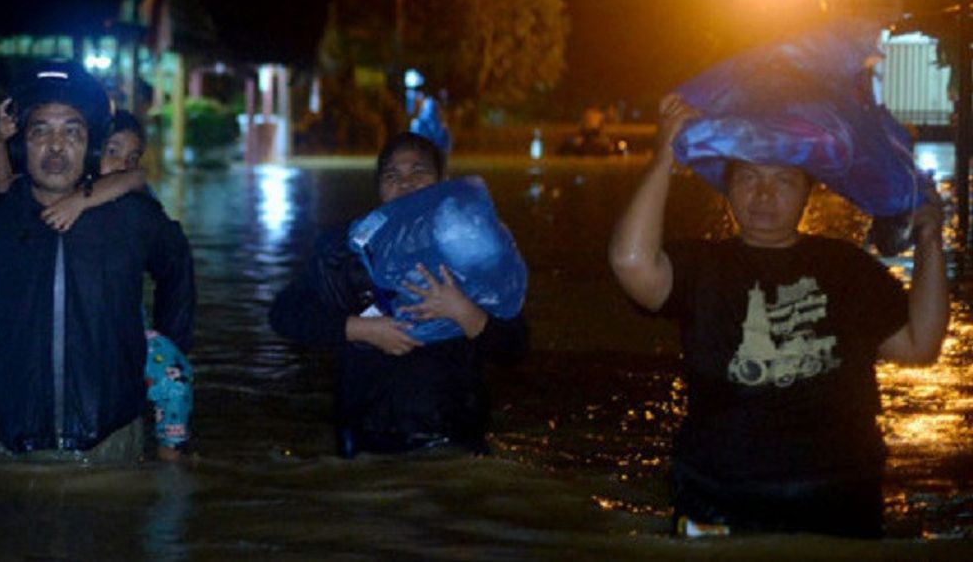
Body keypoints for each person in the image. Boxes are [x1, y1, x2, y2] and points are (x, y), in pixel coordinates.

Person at [608, 94, 949, 538]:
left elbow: (920, 347)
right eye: (749, 177)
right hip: (717, 493)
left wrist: (929, 240)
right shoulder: (699, 265)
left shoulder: (848, 268)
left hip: (837, 492)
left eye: (783, 181)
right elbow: (630, 262)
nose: (764, 194)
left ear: (808, 192)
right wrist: (663, 159)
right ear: (728, 188)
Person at [0, 62, 196, 462]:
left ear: (93, 146)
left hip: (112, 446)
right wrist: (9, 342)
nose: (56, 146)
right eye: (40, 131)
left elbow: (177, 269)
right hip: (9, 450)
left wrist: (166, 348)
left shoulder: (134, 218)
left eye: (72, 131)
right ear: (20, 144)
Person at [269, 132, 527, 457]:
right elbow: (285, 314)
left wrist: (463, 311)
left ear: (444, 182)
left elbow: (516, 349)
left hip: (450, 446)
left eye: (418, 173)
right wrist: (359, 329)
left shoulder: (474, 256)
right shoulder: (349, 253)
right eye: (392, 176)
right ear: (378, 189)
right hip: (363, 443)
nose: (405, 185)